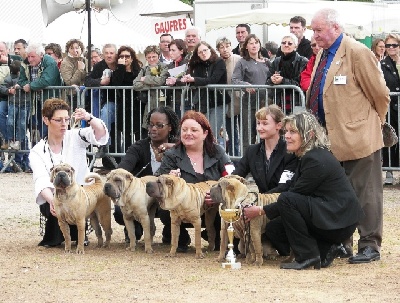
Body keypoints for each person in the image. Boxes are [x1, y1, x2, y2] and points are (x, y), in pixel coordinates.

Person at [308, 8, 390, 264]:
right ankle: (342, 242)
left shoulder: (357, 52)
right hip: (329, 138)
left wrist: (371, 124)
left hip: (359, 136)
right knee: (337, 194)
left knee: (365, 192)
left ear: (335, 27)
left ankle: (369, 244)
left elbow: (380, 94)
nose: (315, 35)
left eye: (318, 30)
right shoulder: (323, 53)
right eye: (313, 30)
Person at [243, 112, 364, 270]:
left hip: (339, 220)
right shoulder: (307, 156)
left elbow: (294, 195)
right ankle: (325, 249)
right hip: (331, 215)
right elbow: (291, 190)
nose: (286, 136)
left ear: (310, 134)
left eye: (292, 132)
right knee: (275, 229)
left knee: (287, 200)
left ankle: (308, 256)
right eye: (285, 131)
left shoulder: (315, 159)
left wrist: (260, 210)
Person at [29, 98, 108, 247]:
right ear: (46, 120)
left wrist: (89, 118)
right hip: (56, 197)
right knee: (54, 203)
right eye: (58, 120)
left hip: (80, 196)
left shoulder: (76, 136)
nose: (64, 124)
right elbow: (40, 180)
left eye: (66, 119)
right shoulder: (37, 151)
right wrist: (52, 200)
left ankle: (79, 235)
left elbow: (100, 135)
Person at [157, 110, 232, 252]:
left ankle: (216, 239)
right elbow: (161, 186)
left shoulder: (218, 151)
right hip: (183, 210)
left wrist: (219, 195)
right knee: (165, 209)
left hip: (213, 208)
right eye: (184, 130)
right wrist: (169, 180)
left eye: (194, 130)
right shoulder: (171, 155)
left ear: (205, 133)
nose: (188, 133)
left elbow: (231, 178)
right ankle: (181, 240)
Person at [116, 106, 180, 243]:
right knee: (118, 209)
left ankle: (172, 235)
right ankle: (134, 231)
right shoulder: (139, 147)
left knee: (168, 207)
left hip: (168, 196)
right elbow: (123, 168)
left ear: (170, 127)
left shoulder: (179, 148)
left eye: (159, 125)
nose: (153, 129)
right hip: (142, 197)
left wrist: (174, 149)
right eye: (151, 125)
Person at [181, 41, 231, 135]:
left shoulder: (219, 61)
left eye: (205, 50)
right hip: (203, 103)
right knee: (202, 133)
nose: (203, 53)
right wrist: (183, 80)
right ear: (197, 55)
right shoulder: (197, 65)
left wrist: (194, 79)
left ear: (210, 50)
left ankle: (216, 150)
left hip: (218, 102)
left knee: (212, 133)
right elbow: (194, 81)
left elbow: (213, 80)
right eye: (200, 52)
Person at [18, 42, 62, 146]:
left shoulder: (49, 62)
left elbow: (46, 81)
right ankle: (36, 151)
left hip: (49, 101)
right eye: (28, 56)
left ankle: (49, 151)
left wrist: (30, 86)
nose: (30, 59)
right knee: (34, 128)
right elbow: (21, 81)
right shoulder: (25, 63)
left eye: (33, 56)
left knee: (47, 127)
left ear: (41, 55)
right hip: (33, 101)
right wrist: (28, 85)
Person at [232, 34, 269, 151]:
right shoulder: (242, 62)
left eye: (256, 42)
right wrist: (245, 85)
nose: (254, 45)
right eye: (251, 43)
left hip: (266, 103)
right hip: (249, 103)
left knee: (266, 134)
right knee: (248, 135)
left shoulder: (267, 62)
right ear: (246, 46)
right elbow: (234, 80)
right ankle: (248, 163)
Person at [84, 43, 119, 169]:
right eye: (107, 53)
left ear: (116, 54)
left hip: (126, 101)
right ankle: (104, 144)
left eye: (111, 53)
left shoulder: (121, 64)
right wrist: (100, 82)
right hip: (109, 101)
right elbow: (87, 80)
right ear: (103, 54)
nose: (109, 56)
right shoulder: (100, 66)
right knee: (105, 112)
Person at [266, 33, 308, 113]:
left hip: (297, 101)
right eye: (283, 43)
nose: (286, 45)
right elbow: (267, 82)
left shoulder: (303, 61)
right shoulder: (276, 61)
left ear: (295, 46)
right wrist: (272, 80)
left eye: (290, 43)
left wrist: (282, 81)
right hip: (279, 102)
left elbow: (301, 83)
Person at [133, 45, 168, 137]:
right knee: (148, 128)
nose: (151, 59)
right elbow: (136, 84)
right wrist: (151, 85)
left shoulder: (164, 67)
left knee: (163, 127)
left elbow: (161, 80)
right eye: (149, 57)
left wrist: (146, 79)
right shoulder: (144, 69)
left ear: (159, 56)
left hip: (163, 102)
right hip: (149, 104)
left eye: (154, 57)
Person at [113, 45, 142, 150]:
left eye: (127, 56)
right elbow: (116, 83)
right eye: (121, 56)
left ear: (132, 58)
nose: (124, 58)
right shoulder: (118, 71)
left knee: (140, 134)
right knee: (126, 134)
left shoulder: (138, 71)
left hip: (138, 105)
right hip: (124, 106)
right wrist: (121, 67)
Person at [380, 33, 400, 185]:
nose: (391, 48)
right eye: (388, 45)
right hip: (389, 107)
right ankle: (389, 171)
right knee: (389, 138)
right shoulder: (381, 64)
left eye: (394, 45)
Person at [216, 37, 241, 156]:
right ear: (218, 49)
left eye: (227, 46)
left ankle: (237, 156)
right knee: (228, 133)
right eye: (222, 47)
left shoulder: (238, 59)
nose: (225, 49)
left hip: (238, 100)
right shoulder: (216, 61)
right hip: (223, 101)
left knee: (239, 132)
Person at [0, 60, 30, 152]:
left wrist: (28, 87)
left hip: (24, 104)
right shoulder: (9, 78)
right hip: (13, 103)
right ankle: (10, 140)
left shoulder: (25, 78)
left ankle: (18, 140)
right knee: (10, 122)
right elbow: (2, 87)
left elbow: (31, 84)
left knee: (21, 123)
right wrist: (9, 90)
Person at [165, 39, 188, 116]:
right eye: (170, 50)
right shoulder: (169, 66)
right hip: (172, 101)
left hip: (186, 101)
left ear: (181, 51)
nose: (170, 53)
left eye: (173, 50)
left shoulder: (188, 63)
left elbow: (189, 81)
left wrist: (176, 81)